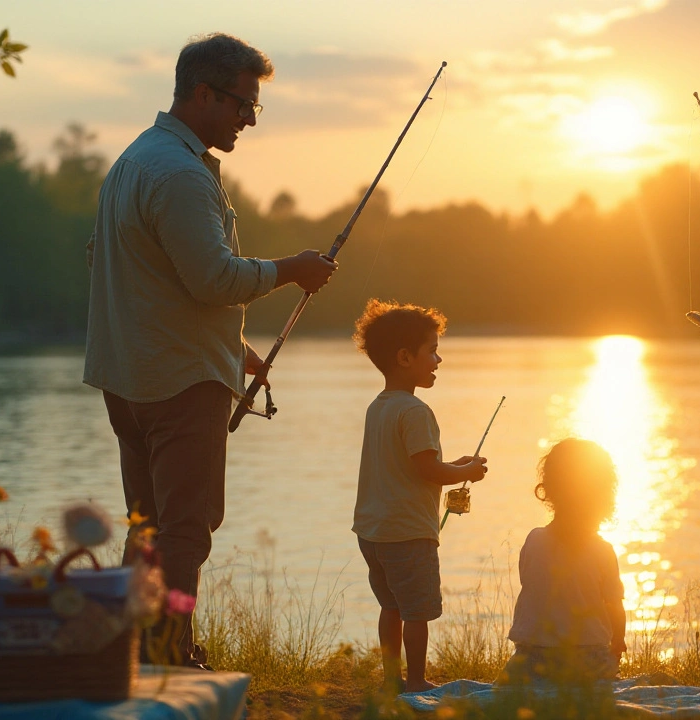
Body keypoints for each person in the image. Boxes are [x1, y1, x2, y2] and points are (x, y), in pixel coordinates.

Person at [84, 33, 339, 668]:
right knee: (186, 528)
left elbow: (153, 280)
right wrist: (293, 268)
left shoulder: (133, 162)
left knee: (148, 527)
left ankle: (131, 649)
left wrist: (235, 346)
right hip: (177, 387)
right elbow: (214, 279)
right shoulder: (180, 175)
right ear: (202, 93)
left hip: (130, 377)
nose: (249, 117)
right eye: (242, 103)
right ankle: (169, 653)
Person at [351, 299, 488, 692]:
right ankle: (415, 681)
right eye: (432, 351)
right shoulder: (415, 411)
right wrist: (467, 473)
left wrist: (455, 463)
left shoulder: (378, 408)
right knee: (416, 612)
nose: (438, 359)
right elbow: (427, 469)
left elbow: (410, 463)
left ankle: (392, 679)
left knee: (390, 606)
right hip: (407, 534)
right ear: (405, 357)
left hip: (372, 532)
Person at [500, 438, 626, 685]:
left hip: (531, 661)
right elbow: (615, 610)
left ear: (550, 489)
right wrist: (617, 646)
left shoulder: (534, 540)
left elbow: (532, 585)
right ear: (602, 497)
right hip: (587, 660)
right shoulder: (602, 550)